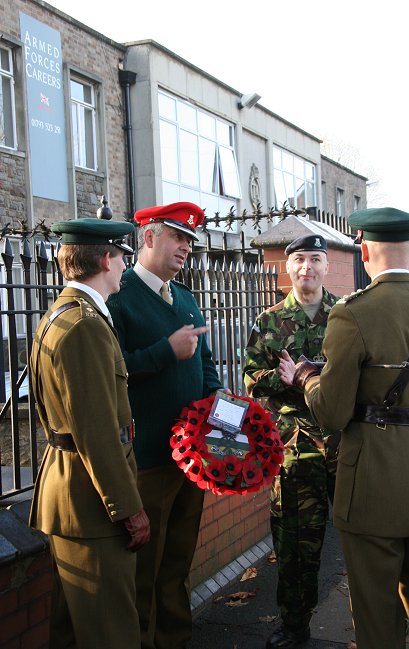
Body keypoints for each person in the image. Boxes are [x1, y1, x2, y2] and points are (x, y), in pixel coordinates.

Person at [279, 207, 409, 649]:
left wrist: (305, 377)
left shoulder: (352, 313)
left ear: (365, 248)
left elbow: (331, 414)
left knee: (377, 615)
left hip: (372, 479)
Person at [29, 217, 150, 649]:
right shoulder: (84, 326)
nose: (124, 269)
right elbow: (97, 433)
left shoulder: (65, 314)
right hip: (92, 506)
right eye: (121, 258)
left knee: (74, 633)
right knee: (111, 634)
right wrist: (128, 509)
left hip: (76, 497)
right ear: (105, 259)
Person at [107, 201, 223, 649]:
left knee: (177, 564)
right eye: (178, 237)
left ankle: (174, 640)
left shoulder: (188, 299)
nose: (186, 248)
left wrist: (221, 408)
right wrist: (164, 352)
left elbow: (207, 366)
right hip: (150, 459)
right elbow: (110, 370)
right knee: (144, 572)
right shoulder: (119, 297)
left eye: (190, 241)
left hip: (192, 461)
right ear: (149, 237)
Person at [243, 234, 340, 648]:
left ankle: (376, 618)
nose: (307, 268)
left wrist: (306, 377)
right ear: (288, 266)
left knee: (369, 535)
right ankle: (295, 624)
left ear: (326, 265)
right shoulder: (268, 322)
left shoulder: (346, 316)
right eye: (299, 260)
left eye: (315, 260)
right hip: (296, 449)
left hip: (345, 445)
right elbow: (250, 382)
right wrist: (289, 382)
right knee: (294, 542)